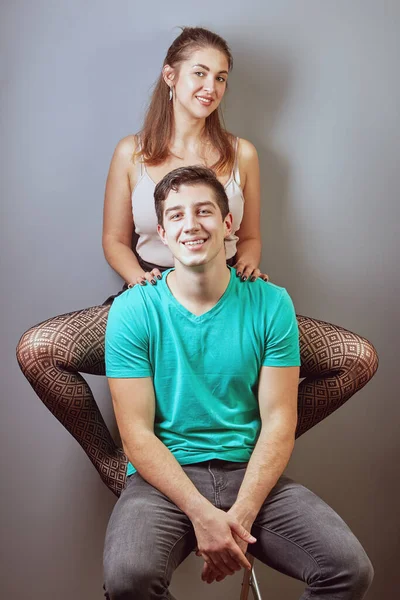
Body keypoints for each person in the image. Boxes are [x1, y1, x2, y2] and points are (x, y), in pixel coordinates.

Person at [16, 27, 378, 498]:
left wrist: (248, 261)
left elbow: (249, 238)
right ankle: (115, 466)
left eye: (222, 78)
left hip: (227, 297)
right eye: (200, 73)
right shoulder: (132, 152)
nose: (211, 87)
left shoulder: (241, 153)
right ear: (170, 76)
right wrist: (138, 280)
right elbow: (114, 240)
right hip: (151, 301)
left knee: (357, 358)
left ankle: (251, 451)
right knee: (38, 349)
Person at [103, 165, 374, 600]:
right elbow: (136, 436)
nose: (191, 225)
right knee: (128, 579)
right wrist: (203, 515)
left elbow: (279, 421)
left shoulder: (271, 303)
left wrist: (241, 515)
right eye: (176, 216)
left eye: (204, 211)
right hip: (164, 481)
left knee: (348, 569)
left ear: (228, 223)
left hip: (248, 473)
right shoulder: (132, 311)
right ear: (162, 232)